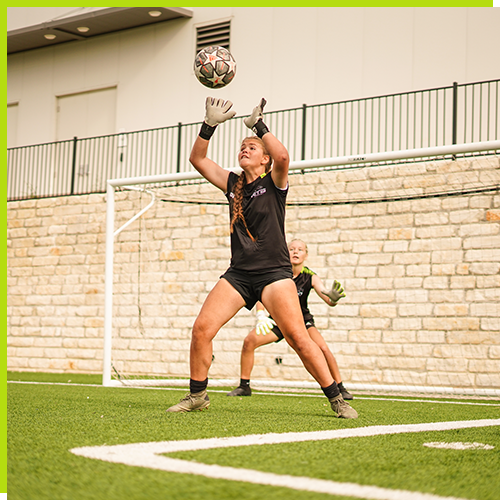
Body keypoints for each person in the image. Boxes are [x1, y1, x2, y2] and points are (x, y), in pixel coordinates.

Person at [166, 97, 357, 419]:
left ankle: (336, 399)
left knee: (298, 336)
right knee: (202, 329)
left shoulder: (274, 183)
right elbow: (198, 159)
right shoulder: (232, 184)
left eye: (252, 147)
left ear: (265, 160)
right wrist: (209, 125)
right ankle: (198, 395)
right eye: (242, 146)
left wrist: (259, 126)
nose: (244, 149)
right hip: (239, 274)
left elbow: (283, 155)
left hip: (274, 274)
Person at [227, 239, 353, 400]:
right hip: (278, 321)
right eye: (292, 249)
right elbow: (261, 295)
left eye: (300, 249)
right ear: (285, 253)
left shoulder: (310, 277)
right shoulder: (277, 275)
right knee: (249, 342)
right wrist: (261, 315)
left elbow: (327, 298)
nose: (295, 252)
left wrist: (333, 299)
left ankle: (340, 387)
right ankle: (244, 386)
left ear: (306, 255)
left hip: (302, 322)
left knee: (323, 348)